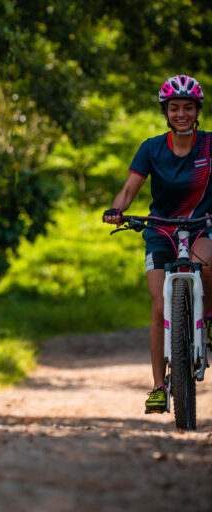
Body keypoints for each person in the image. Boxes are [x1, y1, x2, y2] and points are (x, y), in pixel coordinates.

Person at [103, 74, 212, 413]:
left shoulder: (209, 145)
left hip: (200, 225)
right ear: (166, 111)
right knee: (160, 308)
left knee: (207, 268)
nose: (182, 113)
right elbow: (129, 190)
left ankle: (207, 316)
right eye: (175, 107)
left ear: (197, 111)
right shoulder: (151, 148)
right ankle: (159, 386)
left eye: (188, 107)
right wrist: (117, 210)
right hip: (161, 230)